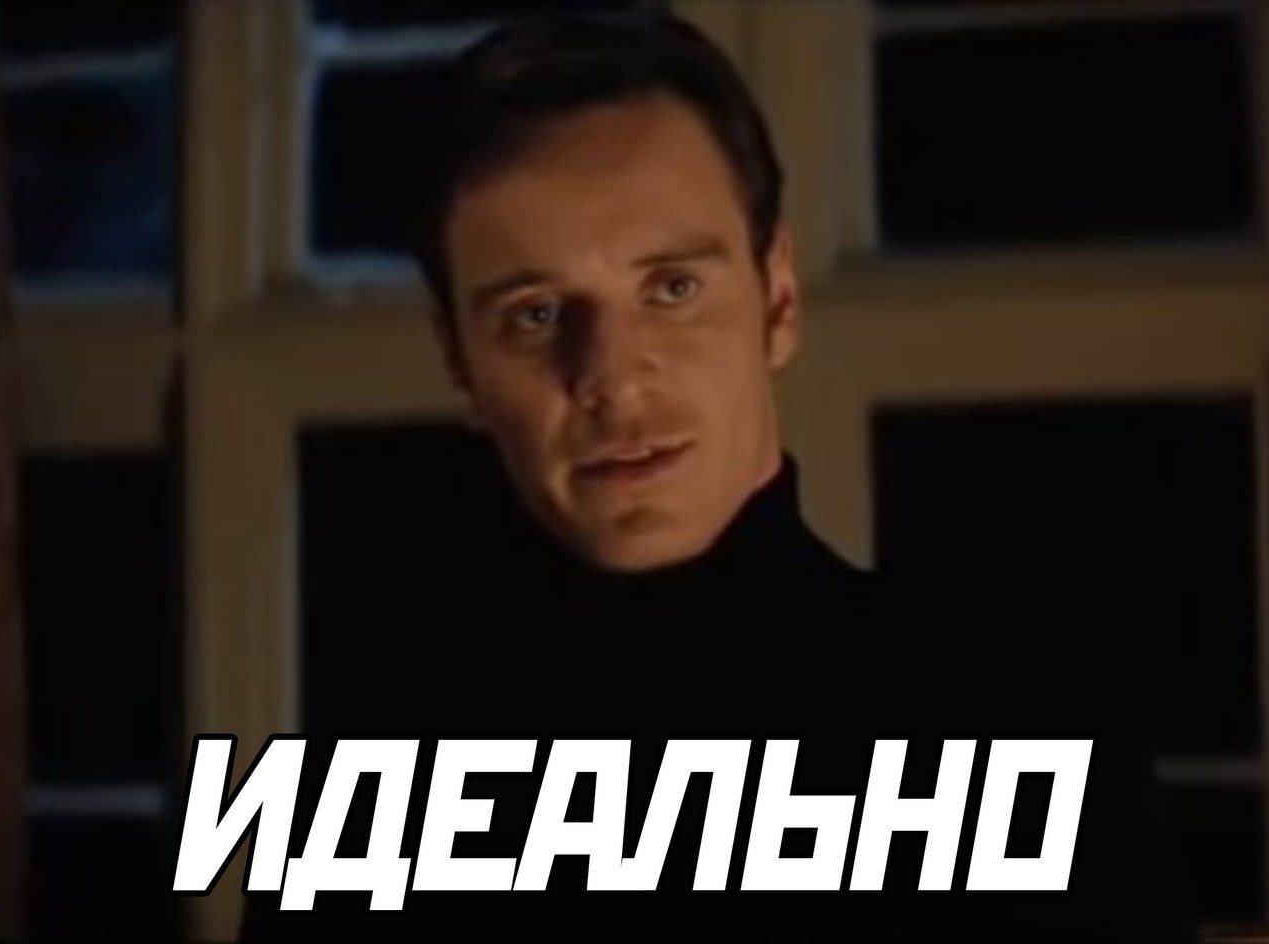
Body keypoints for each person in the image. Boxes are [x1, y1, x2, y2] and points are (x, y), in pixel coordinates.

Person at [240, 11, 1193, 943]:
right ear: (460, 360)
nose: (613, 379)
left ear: (776, 299)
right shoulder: (362, 802)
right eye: (534, 315)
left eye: (673, 288)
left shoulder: (1025, 741)